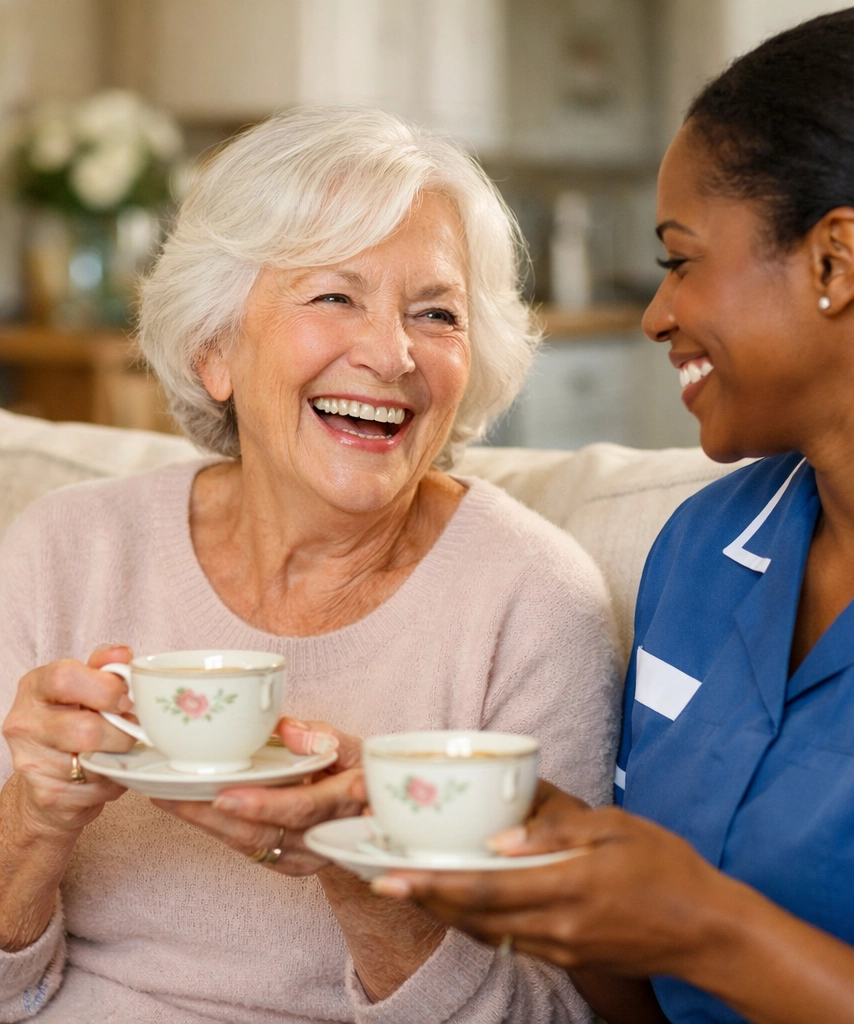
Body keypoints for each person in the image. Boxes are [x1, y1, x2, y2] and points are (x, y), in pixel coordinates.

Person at [375, 6, 854, 1023]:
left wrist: (703, 927)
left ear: (833, 261)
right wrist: (557, 877)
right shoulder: (706, 548)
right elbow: (645, 1003)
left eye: (681, 258)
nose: (655, 313)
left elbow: (697, 936)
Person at [0, 107, 621, 1023]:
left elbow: (565, 1011)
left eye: (436, 313)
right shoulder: (66, 550)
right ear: (216, 348)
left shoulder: (532, 600)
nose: (391, 353)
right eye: (335, 296)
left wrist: (363, 870)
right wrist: (34, 819)